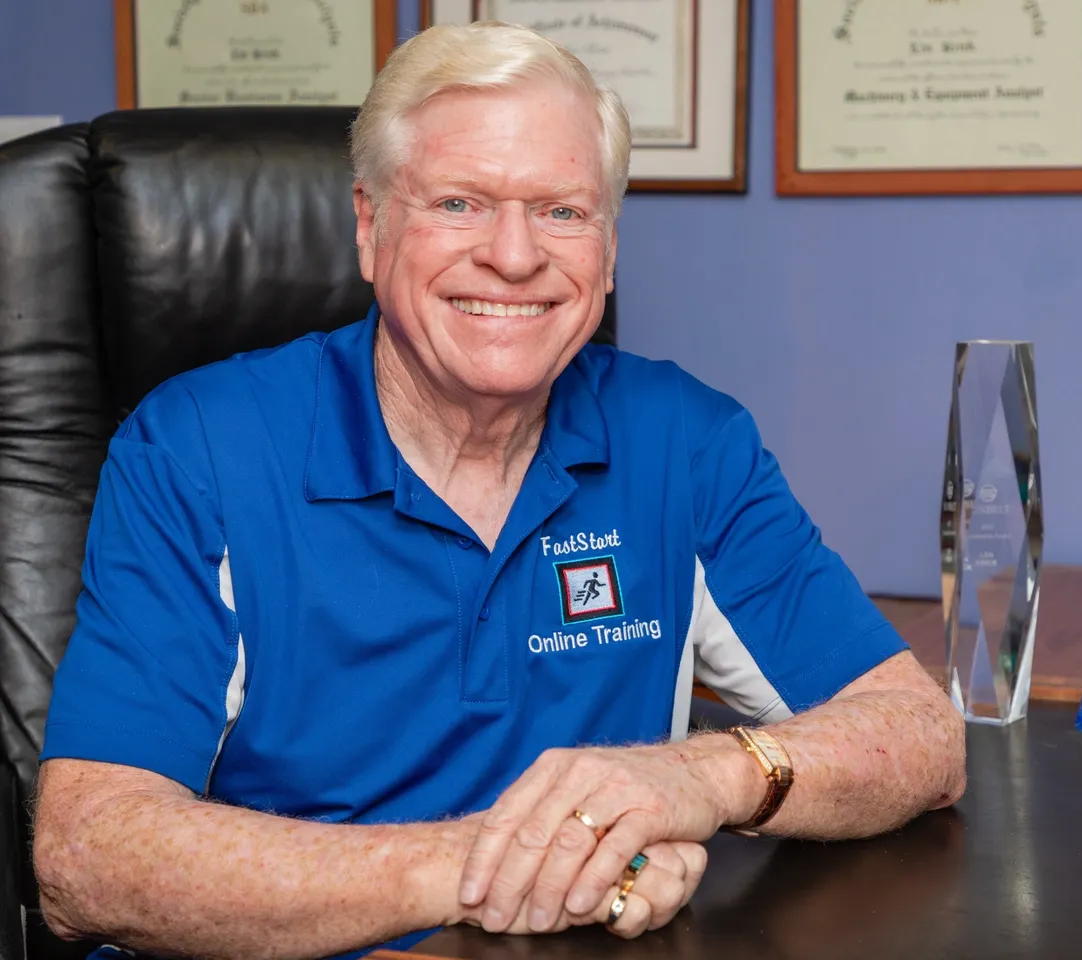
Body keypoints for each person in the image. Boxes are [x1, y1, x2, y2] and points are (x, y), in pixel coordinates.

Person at [31, 20, 967, 960]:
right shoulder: (196, 445)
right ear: (370, 225)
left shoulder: (684, 439)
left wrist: (701, 779)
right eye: (459, 203)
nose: (514, 256)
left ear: (607, 246)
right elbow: (90, 855)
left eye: (562, 210)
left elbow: (922, 741)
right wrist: (510, 865)